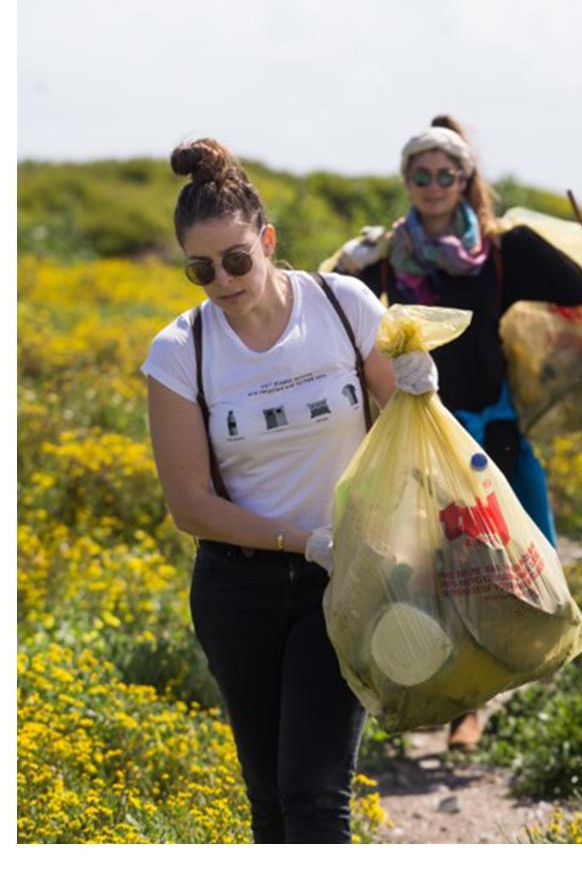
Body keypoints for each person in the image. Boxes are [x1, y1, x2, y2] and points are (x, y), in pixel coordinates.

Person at [141, 138, 436, 843]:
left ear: (267, 241)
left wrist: (426, 387)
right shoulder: (181, 352)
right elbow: (189, 505)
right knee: (270, 798)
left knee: (315, 796)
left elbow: (410, 422)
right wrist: (303, 540)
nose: (223, 279)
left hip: (341, 584)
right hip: (237, 589)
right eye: (200, 268)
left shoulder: (343, 305)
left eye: (238, 258)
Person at [324, 115, 582, 749]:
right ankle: (453, 705)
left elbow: (575, 287)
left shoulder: (496, 251)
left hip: (493, 437)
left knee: (509, 573)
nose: (434, 184)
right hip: (419, 438)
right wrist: (353, 261)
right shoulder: (389, 256)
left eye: (447, 174)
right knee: (436, 576)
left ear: (465, 179)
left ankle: (474, 701)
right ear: (407, 181)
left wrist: (519, 239)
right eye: (421, 174)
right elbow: (338, 313)